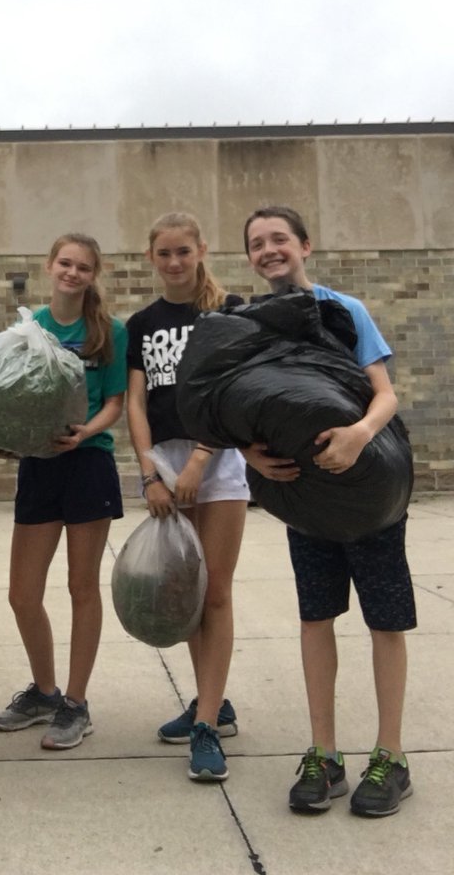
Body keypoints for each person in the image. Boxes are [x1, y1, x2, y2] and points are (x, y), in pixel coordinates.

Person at [243, 205, 415, 818]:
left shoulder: (344, 311)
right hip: (306, 499)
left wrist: (360, 434)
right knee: (316, 619)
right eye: (257, 243)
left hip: (370, 492)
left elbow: (385, 393)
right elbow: (234, 407)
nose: (269, 249)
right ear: (249, 258)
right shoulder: (250, 325)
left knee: (385, 621)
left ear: (305, 245)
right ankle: (324, 754)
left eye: (279, 238)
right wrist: (249, 455)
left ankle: (391, 757)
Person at [0, 233, 127, 750]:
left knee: (81, 587)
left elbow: (114, 402)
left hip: (89, 463)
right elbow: (7, 395)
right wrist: (10, 438)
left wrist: (86, 431)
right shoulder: (30, 328)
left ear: (94, 274)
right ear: (49, 266)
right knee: (22, 593)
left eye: (83, 267)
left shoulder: (110, 331)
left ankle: (76, 702)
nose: (72, 273)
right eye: (65, 263)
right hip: (40, 466)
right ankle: (45, 692)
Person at [126, 212, 248, 782]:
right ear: (151, 258)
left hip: (217, 461)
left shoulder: (228, 311)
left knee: (215, 593)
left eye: (183, 251)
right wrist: (151, 473)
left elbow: (232, 392)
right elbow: (135, 402)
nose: (174, 262)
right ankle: (211, 702)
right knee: (188, 595)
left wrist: (200, 459)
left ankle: (206, 728)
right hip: (165, 461)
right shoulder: (142, 324)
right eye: (164, 253)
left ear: (202, 250)